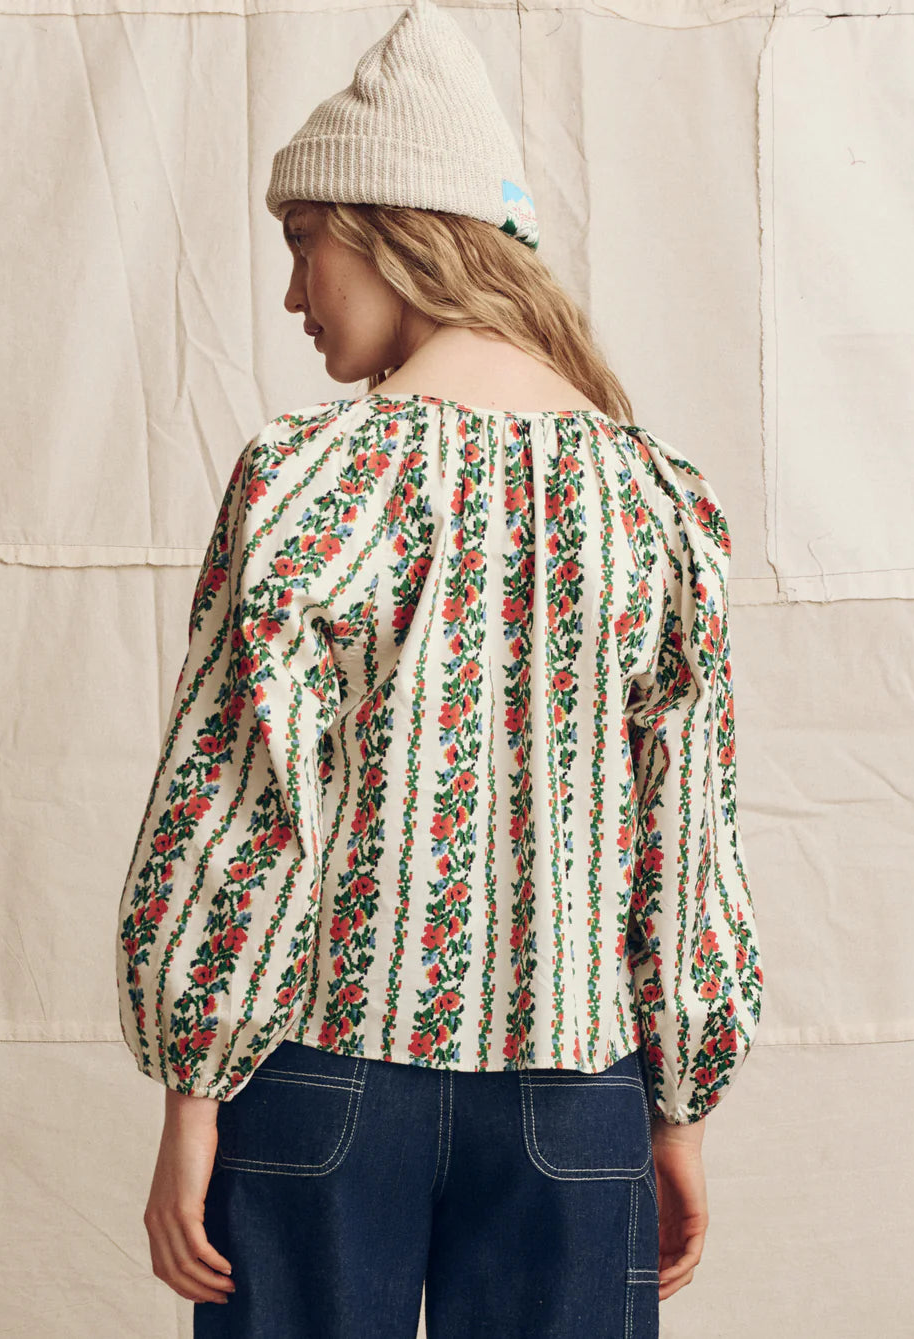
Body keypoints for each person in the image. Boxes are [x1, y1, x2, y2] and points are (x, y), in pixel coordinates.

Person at [114, 2, 764, 1335]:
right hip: (580, 1091)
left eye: (305, 245)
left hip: (321, 1073)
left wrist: (193, 1090)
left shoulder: (314, 480)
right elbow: (686, 839)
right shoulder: (657, 501)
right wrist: (678, 1111)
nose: (293, 295)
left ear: (391, 231)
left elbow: (234, 801)